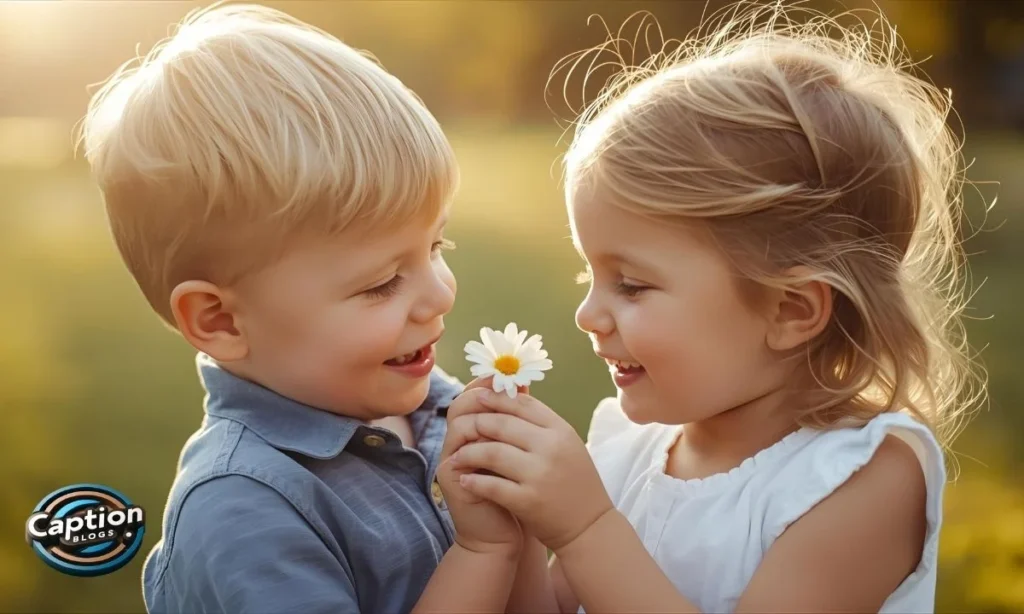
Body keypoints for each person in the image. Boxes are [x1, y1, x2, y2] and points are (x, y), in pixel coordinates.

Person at [443, 5, 985, 612]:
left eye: (632, 285)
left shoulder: (859, 479)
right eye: (586, 272)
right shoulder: (631, 448)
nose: (587, 314)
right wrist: (509, 535)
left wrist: (584, 528)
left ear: (789, 310)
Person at [79, 3, 523, 612]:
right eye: (382, 282)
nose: (442, 292)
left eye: (436, 246)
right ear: (221, 321)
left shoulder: (435, 408)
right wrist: (485, 552)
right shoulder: (243, 513)